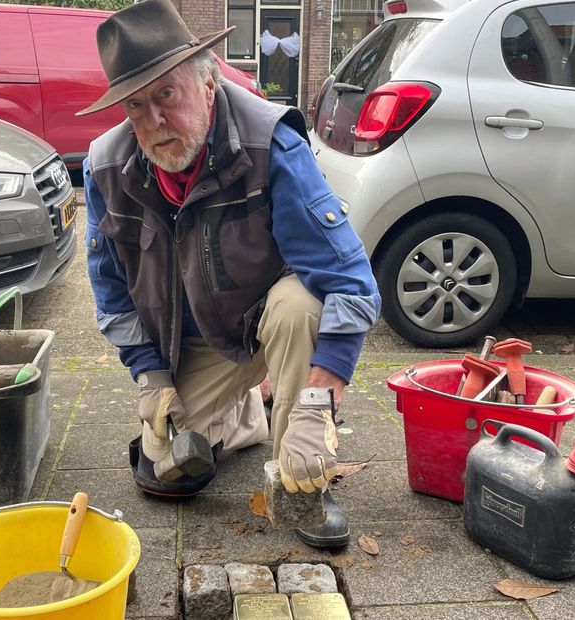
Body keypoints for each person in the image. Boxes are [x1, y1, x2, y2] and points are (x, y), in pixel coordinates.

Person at [78, 0, 379, 549]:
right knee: (165, 471)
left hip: (267, 324)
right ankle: (246, 416)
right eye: (136, 107)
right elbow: (112, 297)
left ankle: (302, 482)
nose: (154, 122)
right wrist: (150, 377)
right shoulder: (104, 170)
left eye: (167, 95)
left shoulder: (272, 146)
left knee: (301, 305)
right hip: (192, 344)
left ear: (209, 81)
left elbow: (352, 284)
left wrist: (321, 400)